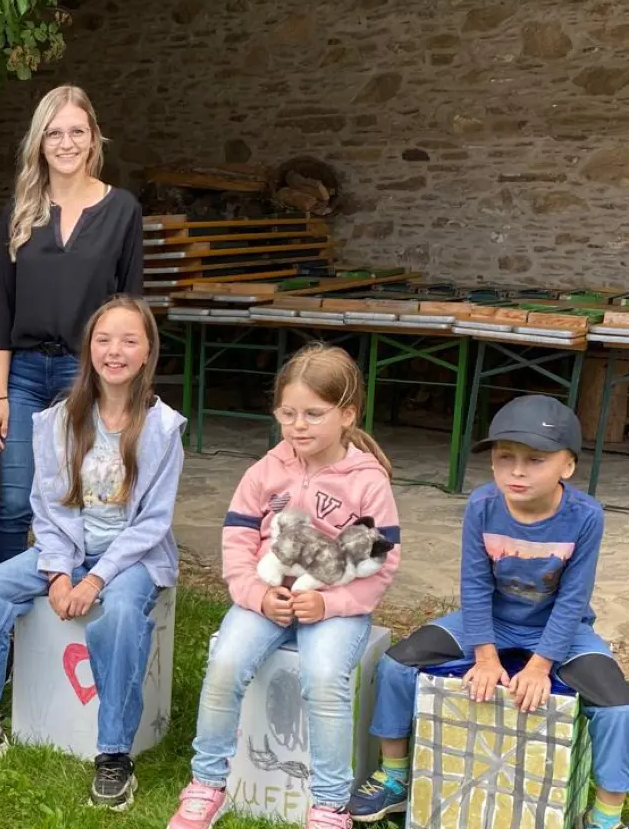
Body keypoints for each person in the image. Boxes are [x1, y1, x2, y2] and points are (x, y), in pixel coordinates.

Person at [0, 296, 185, 812]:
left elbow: (152, 524)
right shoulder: (57, 422)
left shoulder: (162, 430)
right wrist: (58, 572)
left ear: (147, 353)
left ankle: (114, 754)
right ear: (88, 348)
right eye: (104, 339)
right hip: (70, 548)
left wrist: (95, 580)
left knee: (116, 618)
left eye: (129, 340)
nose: (115, 351)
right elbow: (47, 507)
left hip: (133, 557)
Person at [347, 396, 627, 829]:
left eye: (536, 459)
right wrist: (485, 654)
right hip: (491, 619)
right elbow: (475, 586)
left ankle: (606, 814)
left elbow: (573, 598)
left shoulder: (586, 516)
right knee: (396, 665)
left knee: (618, 707)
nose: (517, 470)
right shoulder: (482, 505)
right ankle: (396, 778)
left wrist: (540, 665)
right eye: (504, 458)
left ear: (567, 466)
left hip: (560, 628)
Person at [168, 343, 401, 829]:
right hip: (266, 596)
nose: (299, 425)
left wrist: (331, 602)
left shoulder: (368, 482)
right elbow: (235, 539)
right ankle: (207, 783)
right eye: (288, 413)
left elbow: (381, 561)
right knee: (226, 664)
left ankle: (330, 804)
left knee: (323, 681)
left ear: (347, 414)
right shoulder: (265, 470)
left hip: (334, 606)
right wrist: (255, 593)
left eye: (314, 414)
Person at [0, 84, 145, 566]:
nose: (66, 143)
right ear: (39, 142)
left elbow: (132, 309)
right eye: (54, 133)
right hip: (27, 377)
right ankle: (6, 623)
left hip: (90, 376)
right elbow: (4, 307)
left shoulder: (122, 210)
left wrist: (127, 390)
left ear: (94, 138)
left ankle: (74, 611)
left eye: (77, 131)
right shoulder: (20, 212)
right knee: (15, 504)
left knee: (89, 503)